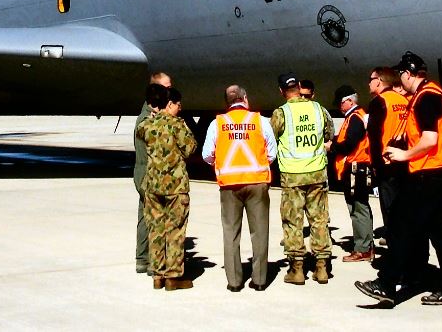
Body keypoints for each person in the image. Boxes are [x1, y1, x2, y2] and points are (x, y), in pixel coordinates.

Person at [357, 52, 442, 307]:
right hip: (440, 170)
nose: (399, 79)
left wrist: (404, 154)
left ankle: (386, 283)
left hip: (429, 172)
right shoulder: (433, 93)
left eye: (401, 74)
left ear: (408, 74)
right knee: (439, 233)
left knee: (402, 225)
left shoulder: (426, 97)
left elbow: (430, 140)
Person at [202, 84, 278, 291]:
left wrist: (225, 164)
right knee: (260, 232)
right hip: (257, 184)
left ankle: (234, 282)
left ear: (227, 103)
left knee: (231, 233)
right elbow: (272, 152)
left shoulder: (217, 124)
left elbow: (207, 155)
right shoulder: (260, 121)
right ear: (245, 99)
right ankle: (260, 280)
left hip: (229, 186)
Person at [271, 74, 335, 285]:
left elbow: (270, 140)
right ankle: (322, 268)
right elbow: (329, 134)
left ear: (281, 91)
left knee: (293, 222)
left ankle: (297, 269)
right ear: (299, 87)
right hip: (317, 173)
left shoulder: (281, 113)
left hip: (292, 176)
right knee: (319, 220)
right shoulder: (319, 109)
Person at [136, 83, 197, 290]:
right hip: (175, 186)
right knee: (175, 230)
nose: (180, 108)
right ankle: (173, 277)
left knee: (156, 229)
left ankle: (157, 275)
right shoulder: (177, 125)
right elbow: (190, 149)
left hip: (153, 185)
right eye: (178, 104)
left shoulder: (146, 126)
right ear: (169, 103)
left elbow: (140, 134)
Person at [364, 67, 409, 247]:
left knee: (390, 210)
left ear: (379, 81)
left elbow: (374, 135)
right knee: (403, 209)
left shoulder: (379, 101)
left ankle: (396, 251)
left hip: (386, 162)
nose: (369, 82)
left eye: (371, 79)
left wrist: (374, 164)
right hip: (404, 160)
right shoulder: (403, 100)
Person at [134, 71, 173, 276]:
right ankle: (153, 262)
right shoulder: (149, 119)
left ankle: (143, 258)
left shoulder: (148, 114)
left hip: (144, 173)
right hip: (148, 174)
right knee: (157, 218)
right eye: (167, 88)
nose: (170, 91)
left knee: (145, 216)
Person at [331, 86, 374, 262]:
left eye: (341, 103)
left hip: (357, 169)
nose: (340, 107)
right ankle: (365, 246)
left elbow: (349, 144)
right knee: (359, 207)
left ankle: (362, 248)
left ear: (350, 101)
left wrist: (332, 147)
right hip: (358, 167)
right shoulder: (356, 117)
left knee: (358, 208)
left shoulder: (355, 118)